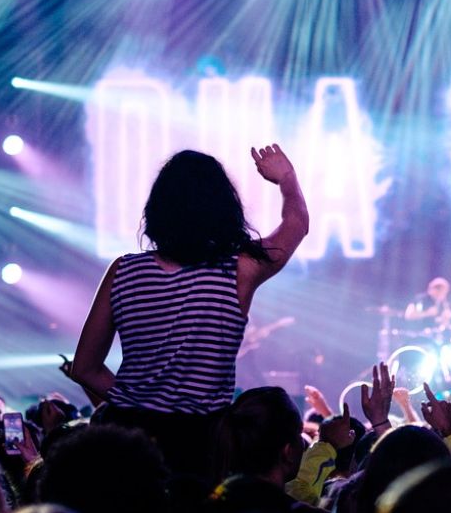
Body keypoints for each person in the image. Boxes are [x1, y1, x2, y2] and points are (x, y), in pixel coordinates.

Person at [69, 145, 308, 478]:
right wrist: (287, 179)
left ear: (158, 209)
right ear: (223, 209)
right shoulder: (238, 270)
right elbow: (296, 223)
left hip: (126, 440)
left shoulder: (123, 271)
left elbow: (84, 368)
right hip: (202, 443)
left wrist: (134, 403)